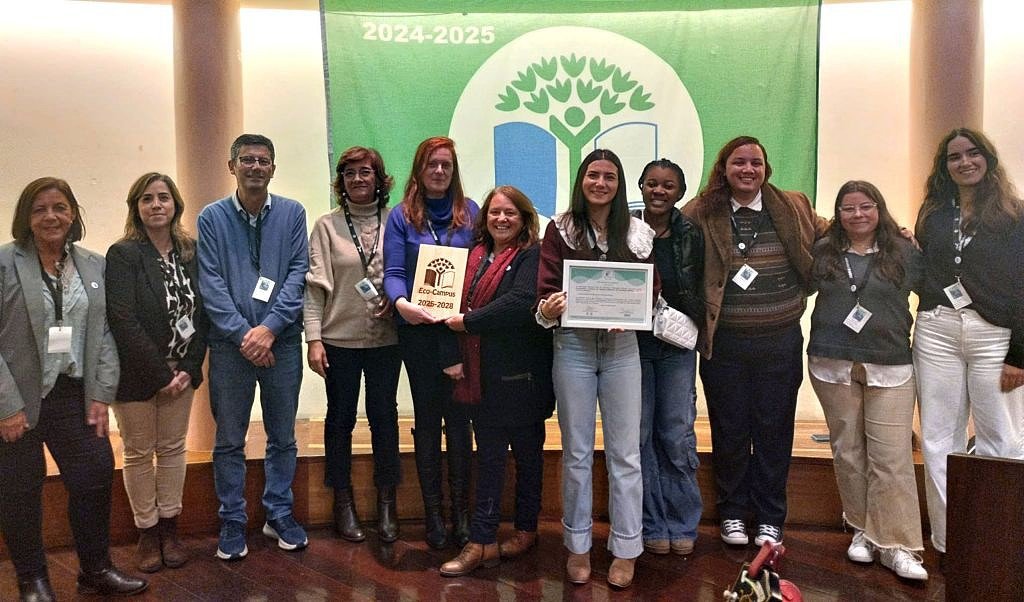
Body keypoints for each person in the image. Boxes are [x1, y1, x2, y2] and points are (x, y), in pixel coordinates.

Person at [0, 177, 148, 600]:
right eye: (40, 209)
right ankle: (32, 579)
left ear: (73, 213)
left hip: (72, 394)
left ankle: (95, 570)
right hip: (18, 399)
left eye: (60, 207)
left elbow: (104, 334)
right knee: (19, 489)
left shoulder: (93, 265)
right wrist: (6, 406)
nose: (51, 216)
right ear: (26, 217)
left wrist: (101, 394)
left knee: (94, 475)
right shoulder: (6, 262)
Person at [682, 136, 828, 548]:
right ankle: (731, 512)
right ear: (723, 168)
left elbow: (835, 235)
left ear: (766, 169)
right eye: (739, 163)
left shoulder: (793, 205)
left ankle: (769, 517)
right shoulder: (701, 211)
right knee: (729, 430)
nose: (748, 170)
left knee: (773, 430)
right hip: (724, 345)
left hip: (779, 341)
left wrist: (892, 232)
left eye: (756, 163)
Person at [536, 149, 657, 589]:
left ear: (619, 183)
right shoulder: (560, 229)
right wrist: (550, 306)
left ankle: (626, 547)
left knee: (626, 453)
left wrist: (636, 310)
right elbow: (546, 287)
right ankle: (578, 545)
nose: (600, 183)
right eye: (593, 175)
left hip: (624, 348)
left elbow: (651, 290)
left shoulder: (639, 232)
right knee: (578, 453)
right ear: (581, 180)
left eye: (609, 176)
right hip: (574, 347)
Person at [197, 133, 310, 560]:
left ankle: (278, 513)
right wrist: (245, 334)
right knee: (229, 438)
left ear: (273, 168)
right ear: (232, 167)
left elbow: (298, 273)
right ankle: (232, 519)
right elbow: (210, 282)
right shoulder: (211, 218)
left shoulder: (292, 214)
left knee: (282, 436)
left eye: (263, 161)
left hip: (280, 344)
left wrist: (270, 329)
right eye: (247, 160)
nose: (256, 167)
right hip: (230, 348)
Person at [808, 181, 927, 580]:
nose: (857, 215)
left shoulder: (904, 250)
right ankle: (861, 531)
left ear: (880, 208)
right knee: (847, 450)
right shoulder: (823, 249)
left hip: (890, 364)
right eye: (848, 208)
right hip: (831, 362)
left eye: (866, 207)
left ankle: (898, 544)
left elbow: (928, 294)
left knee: (891, 457)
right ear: (837, 213)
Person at [913, 128, 1024, 558]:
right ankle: (950, 541)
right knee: (940, 439)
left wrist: (1019, 354)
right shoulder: (935, 211)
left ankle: (999, 541)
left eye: (972, 154)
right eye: (953, 157)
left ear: (988, 160)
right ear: (944, 167)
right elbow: (925, 265)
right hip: (937, 329)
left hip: (995, 337)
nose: (964, 162)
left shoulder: (1013, 215)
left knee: (1004, 438)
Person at [439, 186, 555, 576]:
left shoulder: (533, 255)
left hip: (523, 379)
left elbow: (521, 302)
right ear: (484, 218)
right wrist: (452, 351)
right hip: (481, 378)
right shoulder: (471, 258)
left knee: (528, 460)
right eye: (494, 213)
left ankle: (526, 530)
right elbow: (445, 309)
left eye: (510, 213)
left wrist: (468, 322)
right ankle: (483, 541)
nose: (501, 219)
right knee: (488, 460)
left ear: (524, 219)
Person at [106, 173, 209, 573]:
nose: (156, 205)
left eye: (163, 198)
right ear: (136, 207)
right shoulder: (124, 254)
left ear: (175, 205)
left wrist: (187, 367)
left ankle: (170, 528)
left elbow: (203, 315)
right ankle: (147, 532)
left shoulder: (190, 251)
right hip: (136, 373)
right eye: (147, 199)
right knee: (137, 452)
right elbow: (123, 319)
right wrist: (160, 374)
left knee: (171, 450)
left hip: (180, 373)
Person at [383, 136, 478, 549]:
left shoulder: (470, 213)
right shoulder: (402, 217)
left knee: (459, 425)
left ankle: (462, 514)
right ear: (419, 170)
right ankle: (433, 516)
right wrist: (401, 303)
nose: (439, 172)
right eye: (432, 165)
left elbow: (477, 270)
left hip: (459, 333)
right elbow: (392, 271)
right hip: (419, 333)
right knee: (426, 425)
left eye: (446, 166)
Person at [305, 147, 402, 544]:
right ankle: (341, 503)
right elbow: (313, 290)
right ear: (341, 183)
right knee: (340, 419)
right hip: (338, 339)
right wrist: (313, 339)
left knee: (385, 418)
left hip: (386, 339)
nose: (358, 179)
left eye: (366, 172)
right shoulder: (326, 227)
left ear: (380, 179)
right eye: (349, 174)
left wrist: (400, 303)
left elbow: (409, 273)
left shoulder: (396, 222)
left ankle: (387, 503)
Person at [632, 159, 705, 557]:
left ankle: (681, 521)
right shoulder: (625, 230)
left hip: (677, 345)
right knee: (640, 435)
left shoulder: (692, 232)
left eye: (668, 186)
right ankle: (651, 523)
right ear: (641, 186)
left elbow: (701, 283)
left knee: (676, 433)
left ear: (680, 191)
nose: (659, 191)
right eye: (652, 184)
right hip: (632, 345)